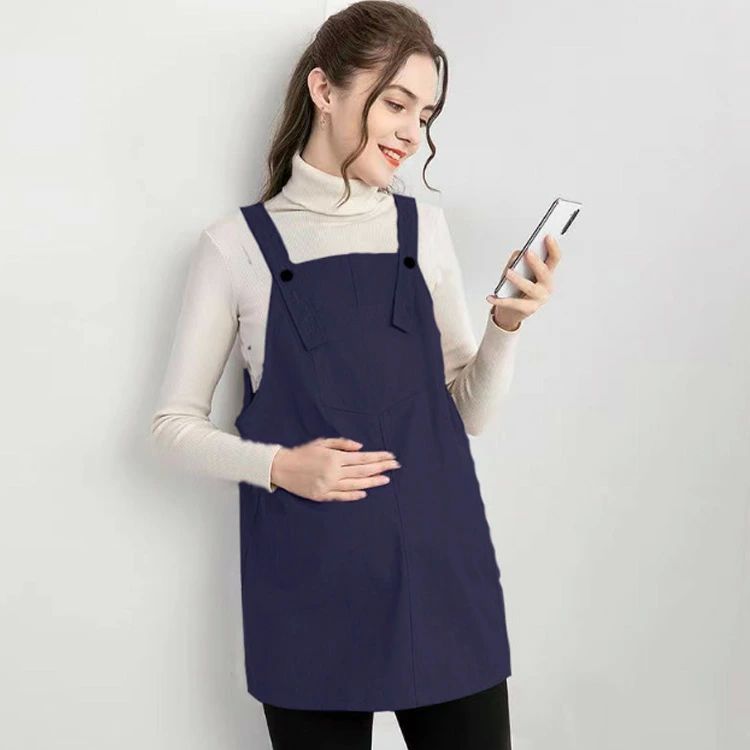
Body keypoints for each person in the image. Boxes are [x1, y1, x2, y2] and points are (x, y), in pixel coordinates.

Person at [151, 2, 560, 747]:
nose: (413, 133)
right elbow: (171, 428)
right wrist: (280, 466)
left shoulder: (423, 230)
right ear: (324, 90)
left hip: (441, 580)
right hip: (308, 597)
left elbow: (467, 413)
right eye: (396, 104)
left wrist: (506, 327)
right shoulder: (235, 247)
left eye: (425, 114)